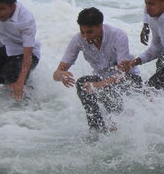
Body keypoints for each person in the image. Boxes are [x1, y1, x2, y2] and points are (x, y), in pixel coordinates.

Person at [52, 7, 139, 135]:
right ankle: (96, 129)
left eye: (90, 32)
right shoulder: (77, 40)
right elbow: (56, 73)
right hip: (103, 81)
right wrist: (62, 76)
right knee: (82, 84)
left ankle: (117, 125)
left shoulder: (118, 36)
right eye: (82, 32)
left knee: (107, 92)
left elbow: (123, 73)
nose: (86, 37)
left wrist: (99, 85)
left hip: (129, 79)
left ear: (100, 26)